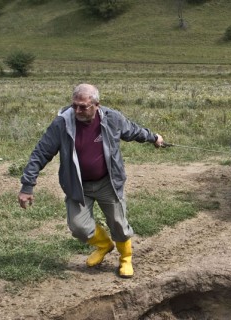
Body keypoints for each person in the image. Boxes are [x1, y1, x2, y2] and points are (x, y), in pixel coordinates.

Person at [18, 83, 164, 277]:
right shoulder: (61, 123)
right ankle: (104, 245)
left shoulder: (112, 118)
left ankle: (125, 258)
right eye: (74, 105)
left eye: (83, 106)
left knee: (118, 223)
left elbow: (133, 131)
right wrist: (27, 185)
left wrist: (153, 137)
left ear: (96, 105)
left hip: (108, 182)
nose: (77, 110)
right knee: (78, 227)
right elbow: (41, 153)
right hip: (77, 185)